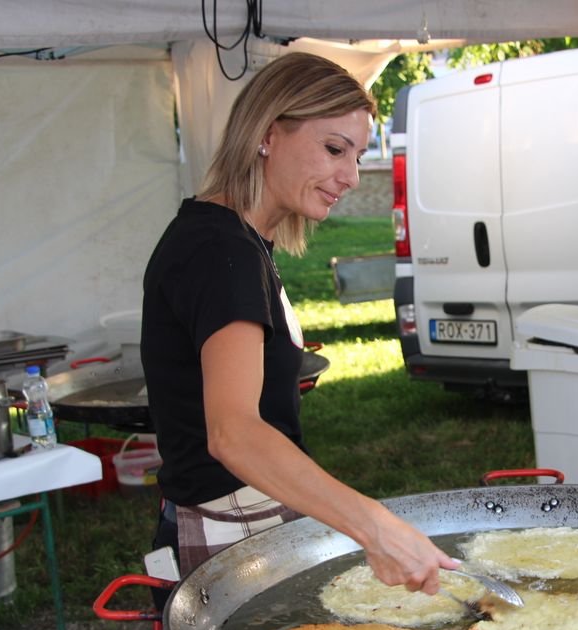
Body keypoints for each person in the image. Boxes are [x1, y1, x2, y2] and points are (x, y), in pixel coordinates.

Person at [140, 52, 456, 601]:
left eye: (357, 155)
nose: (352, 176)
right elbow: (233, 432)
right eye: (334, 149)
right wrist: (376, 527)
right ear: (267, 134)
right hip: (223, 538)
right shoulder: (222, 252)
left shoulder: (235, 241)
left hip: (249, 520)